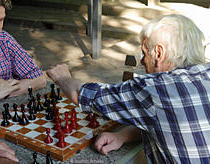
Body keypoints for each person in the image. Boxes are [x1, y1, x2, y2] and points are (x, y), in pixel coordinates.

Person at [47, 14, 209, 163]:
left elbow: (85, 96)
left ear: (159, 53)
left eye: (144, 53)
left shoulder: (154, 88)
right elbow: (171, 121)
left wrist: (63, 78)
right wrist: (122, 136)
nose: (142, 61)